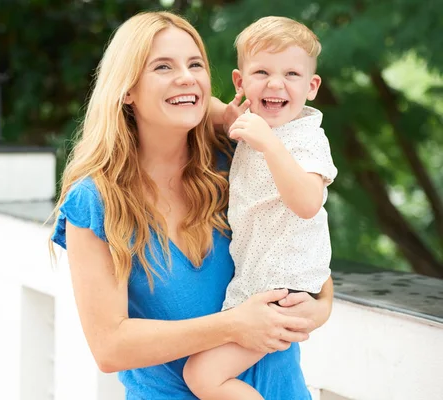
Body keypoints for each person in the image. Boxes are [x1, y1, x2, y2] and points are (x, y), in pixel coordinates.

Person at [50, 11, 334, 400]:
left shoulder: (237, 160)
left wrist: (319, 309)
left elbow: (302, 250)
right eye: (163, 66)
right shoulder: (97, 201)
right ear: (127, 88)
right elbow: (110, 347)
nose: (186, 76)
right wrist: (235, 325)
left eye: (195, 64)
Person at [183, 16, 338, 400]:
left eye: (291, 73)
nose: (275, 83)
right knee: (206, 372)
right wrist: (225, 115)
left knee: (203, 376)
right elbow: (200, 105)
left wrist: (269, 144)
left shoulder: (306, 139)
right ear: (240, 82)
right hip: (258, 282)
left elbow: (306, 203)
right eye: (261, 72)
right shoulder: (254, 124)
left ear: (311, 86)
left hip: (283, 291)